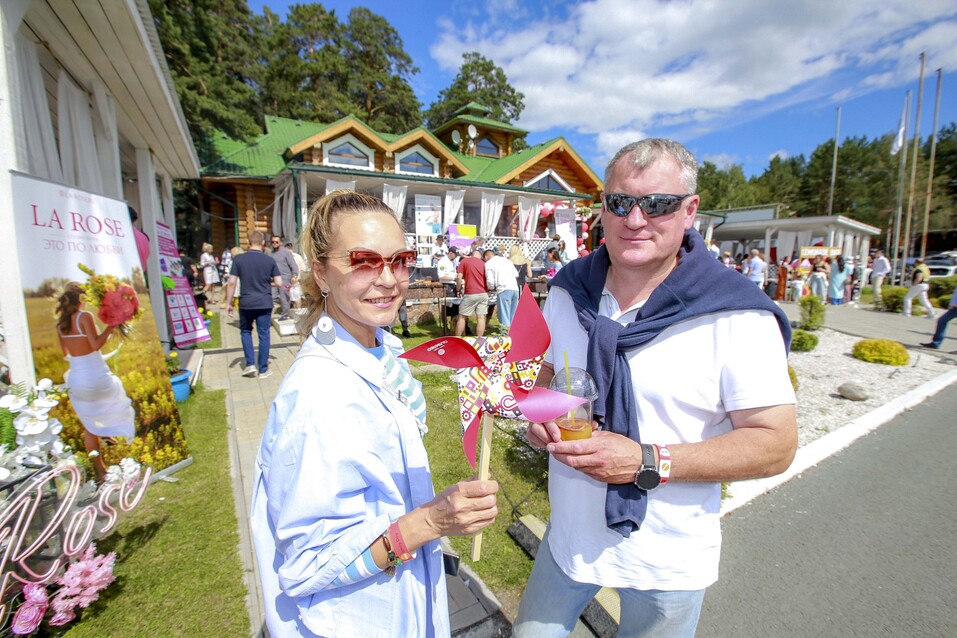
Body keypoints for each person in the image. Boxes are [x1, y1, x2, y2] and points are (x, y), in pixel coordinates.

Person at [513, 139, 796, 637]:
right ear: (602, 208)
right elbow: (548, 380)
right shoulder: (567, 289)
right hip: (569, 541)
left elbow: (775, 443)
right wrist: (541, 418)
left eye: (658, 204)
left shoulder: (737, 313)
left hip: (667, 559)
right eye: (620, 202)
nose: (635, 219)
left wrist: (646, 461)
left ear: (690, 212)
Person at [250, 191, 498, 637]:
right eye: (364, 260)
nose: (388, 279)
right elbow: (307, 565)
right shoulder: (317, 396)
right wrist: (430, 521)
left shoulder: (381, 348)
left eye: (400, 259)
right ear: (322, 273)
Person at [56, 283, 135, 483]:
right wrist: (111, 325)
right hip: (95, 374)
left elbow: (65, 353)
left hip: (76, 377)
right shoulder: (85, 317)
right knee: (114, 396)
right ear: (81, 299)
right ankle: (107, 431)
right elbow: (95, 344)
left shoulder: (60, 324)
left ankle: (100, 470)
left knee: (89, 424)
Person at [226, 231, 281, 378]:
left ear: (248, 242)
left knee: (245, 331)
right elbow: (279, 282)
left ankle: (250, 364)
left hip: (246, 302)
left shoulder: (239, 259)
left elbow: (231, 282)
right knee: (264, 335)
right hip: (264, 302)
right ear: (263, 243)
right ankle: (263, 369)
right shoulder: (269, 261)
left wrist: (229, 303)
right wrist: (267, 282)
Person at [455, 249, 489, 337]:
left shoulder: (464, 261)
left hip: (470, 292)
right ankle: (479, 339)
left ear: (471, 255)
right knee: (481, 317)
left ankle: (458, 339)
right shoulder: (484, 264)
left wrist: (458, 289)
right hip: (483, 293)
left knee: (462, 317)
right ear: (480, 256)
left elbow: (459, 277)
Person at [485, 246, 520, 331]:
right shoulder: (508, 261)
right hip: (514, 288)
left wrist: (491, 288)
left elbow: (490, 281)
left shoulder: (488, 263)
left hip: (503, 289)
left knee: (504, 315)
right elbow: (516, 274)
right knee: (512, 316)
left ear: (486, 257)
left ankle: (505, 337)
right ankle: (514, 336)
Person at [270, 235, 299, 321]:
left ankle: (285, 314)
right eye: (273, 242)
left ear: (281, 243)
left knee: (284, 297)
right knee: (272, 297)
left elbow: (294, 266)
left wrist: (294, 276)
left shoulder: (286, 253)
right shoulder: (270, 254)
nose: (274, 243)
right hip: (273, 279)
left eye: (276, 242)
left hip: (285, 279)